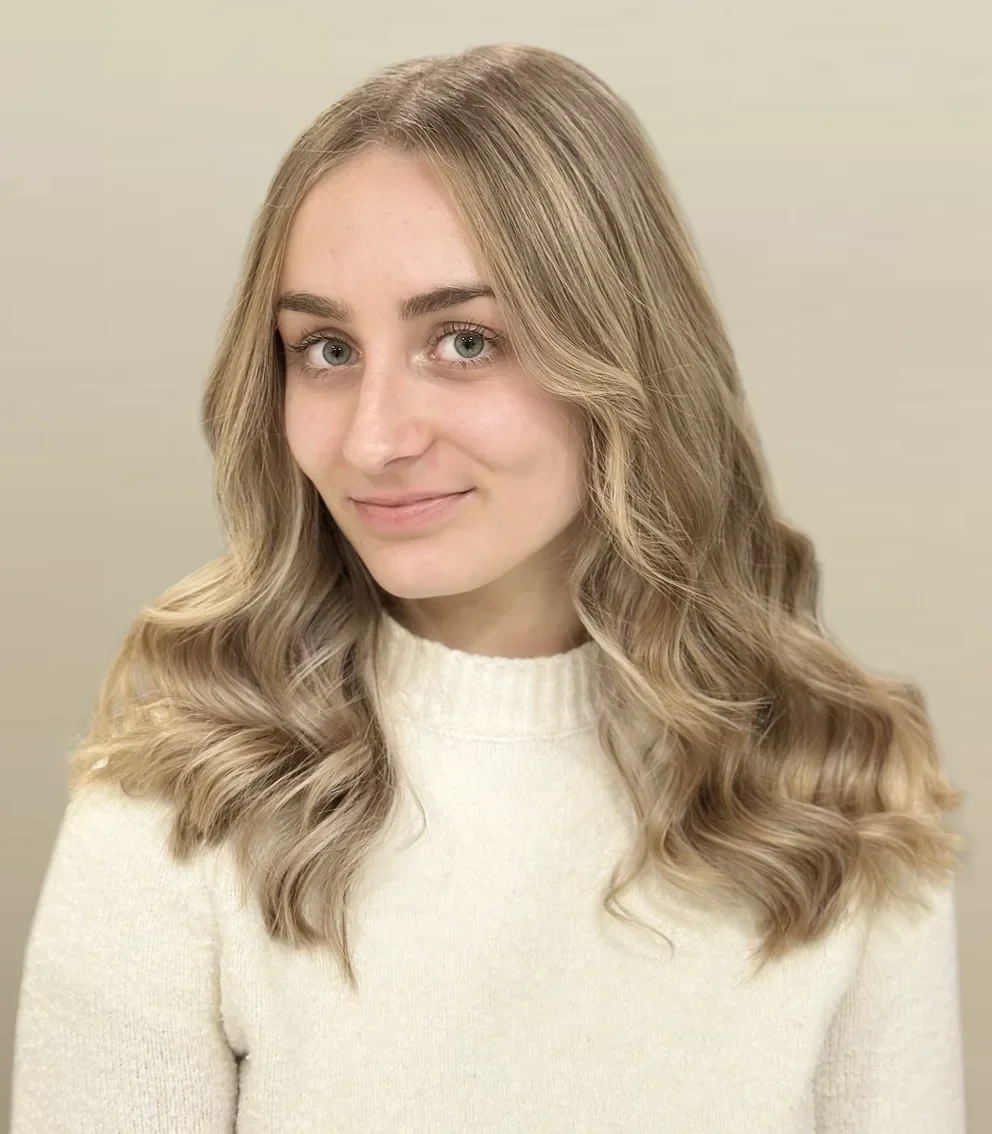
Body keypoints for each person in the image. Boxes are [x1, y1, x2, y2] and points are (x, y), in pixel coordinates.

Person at [11, 43, 968, 1134]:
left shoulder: (837, 790)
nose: (374, 439)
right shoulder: (179, 805)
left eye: (463, 342)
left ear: (620, 357)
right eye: (323, 349)